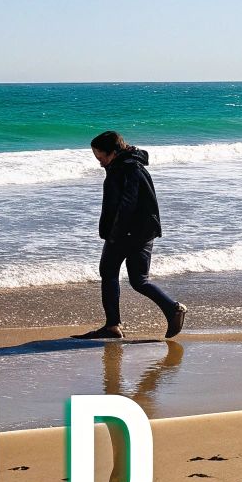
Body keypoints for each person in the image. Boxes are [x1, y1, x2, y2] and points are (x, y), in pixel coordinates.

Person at [78, 130, 185, 340]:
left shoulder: (126, 168)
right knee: (138, 280)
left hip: (128, 231)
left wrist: (115, 233)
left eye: (101, 157)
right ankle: (172, 309)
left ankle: (112, 326)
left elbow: (128, 203)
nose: (100, 163)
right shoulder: (128, 164)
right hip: (143, 230)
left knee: (108, 271)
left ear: (114, 152)